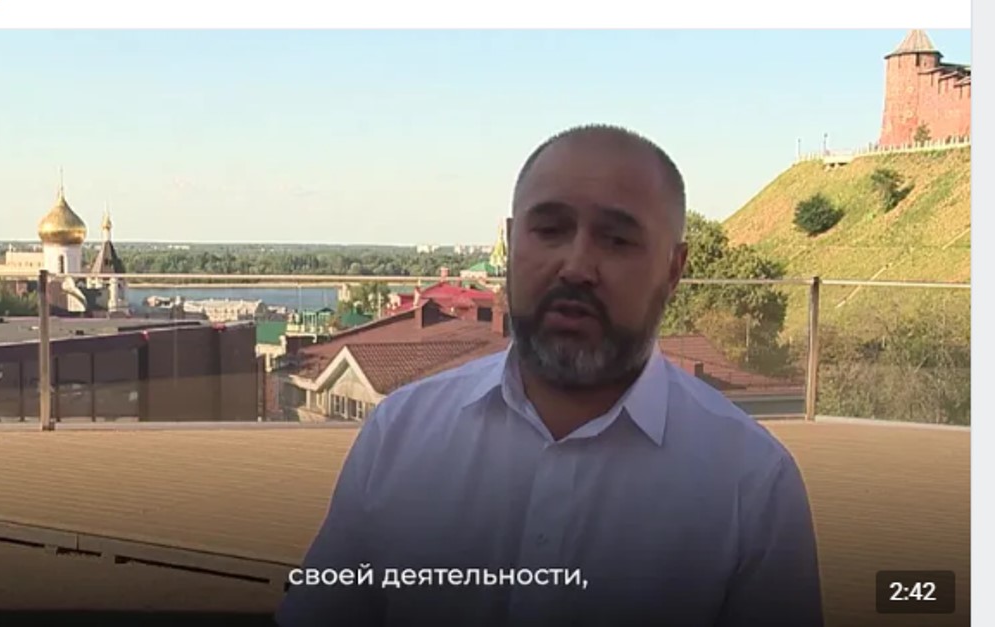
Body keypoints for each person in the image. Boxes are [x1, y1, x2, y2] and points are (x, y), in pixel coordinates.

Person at [276, 124, 823, 627]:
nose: (577, 266)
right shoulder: (400, 433)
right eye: (550, 229)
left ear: (673, 269)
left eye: (617, 240)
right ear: (513, 243)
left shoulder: (752, 485)